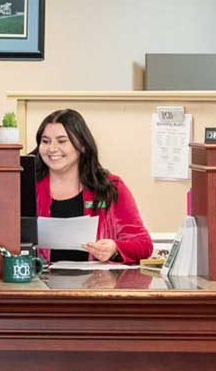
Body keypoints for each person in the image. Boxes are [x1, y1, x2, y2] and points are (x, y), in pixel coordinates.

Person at [32, 108, 152, 264]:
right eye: (45, 141)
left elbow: (143, 244)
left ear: (82, 145)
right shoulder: (24, 185)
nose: (52, 149)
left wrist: (115, 248)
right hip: (37, 284)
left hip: (96, 285)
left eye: (62, 141)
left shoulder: (110, 187)